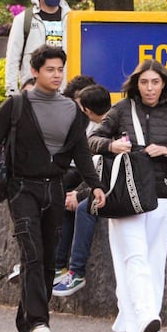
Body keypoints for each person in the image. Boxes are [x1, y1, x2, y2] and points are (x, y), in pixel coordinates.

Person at [0, 45, 105, 332]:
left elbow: (81, 152)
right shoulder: (16, 105)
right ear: (35, 72)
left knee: (48, 260)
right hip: (22, 188)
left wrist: (95, 184)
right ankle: (39, 321)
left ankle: (25, 318)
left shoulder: (72, 109)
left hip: (55, 188)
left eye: (60, 69)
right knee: (32, 254)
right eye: (50, 69)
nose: (57, 75)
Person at [88, 59, 167, 332]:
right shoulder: (122, 110)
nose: (149, 88)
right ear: (136, 84)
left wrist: (166, 150)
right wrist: (112, 146)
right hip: (126, 196)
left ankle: (137, 322)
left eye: (155, 82)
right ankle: (146, 316)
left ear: (163, 84)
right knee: (134, 257)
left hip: (159, 196)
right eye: (144, 82)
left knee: (153, 261)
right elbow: (91, 139)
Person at [53, 84, 112, 297]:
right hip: (101, 186)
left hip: (119, 192)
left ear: (86, 110)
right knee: (65, 201)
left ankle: (76, 271)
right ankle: (58, 267)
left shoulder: (108, 130)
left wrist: (80, 195)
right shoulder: (99, 128)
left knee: (84, 208)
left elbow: (107, 177)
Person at [4, 0, 70, 95]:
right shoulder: (23, 19)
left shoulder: (71, 18)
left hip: (65, 91)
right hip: (33, 89)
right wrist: (11, 90)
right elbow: (13, 57)